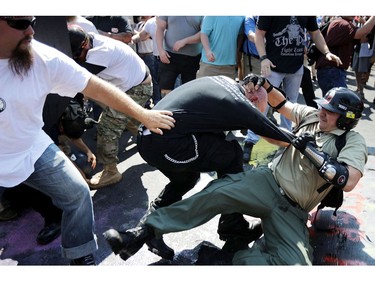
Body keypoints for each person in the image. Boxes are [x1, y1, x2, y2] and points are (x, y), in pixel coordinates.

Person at [103, 75, 367, 265]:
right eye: (323, 107)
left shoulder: (352, 141)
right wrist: (265, 85)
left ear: (347, 119)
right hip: (267, 182)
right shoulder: (311, 115)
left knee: (294, 266)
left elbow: (347, 179)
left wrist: (313, 152)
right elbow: (281, 105)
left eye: (330, 112)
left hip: (293, 209)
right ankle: (141, 233)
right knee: (217, 192)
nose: (322, 112)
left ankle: (229, 257)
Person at [0, 16, 175, 265]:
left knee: (78, 193)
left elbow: (93, 86)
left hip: (32, 144)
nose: (30, 30)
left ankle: (80, 255)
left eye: (32, 21)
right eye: (19, 23)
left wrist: (144, 114)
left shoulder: (43, 57)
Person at [67, 24, 155, 189]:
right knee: (131, 121)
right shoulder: (90, 40)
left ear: (85, 45)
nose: (76, 58)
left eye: (77, 55)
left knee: (107, 129)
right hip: (131, 83)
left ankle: (111, 171)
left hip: (136, 88)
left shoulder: (100, 54)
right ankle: (158, 144)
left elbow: (76, 79)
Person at [255, 16, 341, 131]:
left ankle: (286, 138)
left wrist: (326, 52)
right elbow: (259, 33)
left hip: (296, 67)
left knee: (291, 105)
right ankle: (251, 139)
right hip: (273, 66)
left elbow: (315, 32)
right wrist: (263, 58)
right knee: (263, 102)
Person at [315, 16, 375, 95]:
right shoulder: (342, 23)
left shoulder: (343, 23)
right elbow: (362, 33)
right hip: (331, 70)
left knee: (332, 104)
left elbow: (363, 38)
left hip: (331, 70)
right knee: (338, 103)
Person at [156, 16, 203, 97]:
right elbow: (160, 28)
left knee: (190, 93)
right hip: (169, 56)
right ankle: (165, 109)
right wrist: (160, 50)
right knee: (165, 90)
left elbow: (204, 33)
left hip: (193, 58)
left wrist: (185, 41)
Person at [132, 16, 162, 105]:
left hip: (150, 55)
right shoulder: (139, 25)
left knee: (155, 80)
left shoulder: (152, 23)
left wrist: (133, 33)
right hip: (140, 55)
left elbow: (144, 36)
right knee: (143, 79)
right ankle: (147, 101)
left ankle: (157, 100)